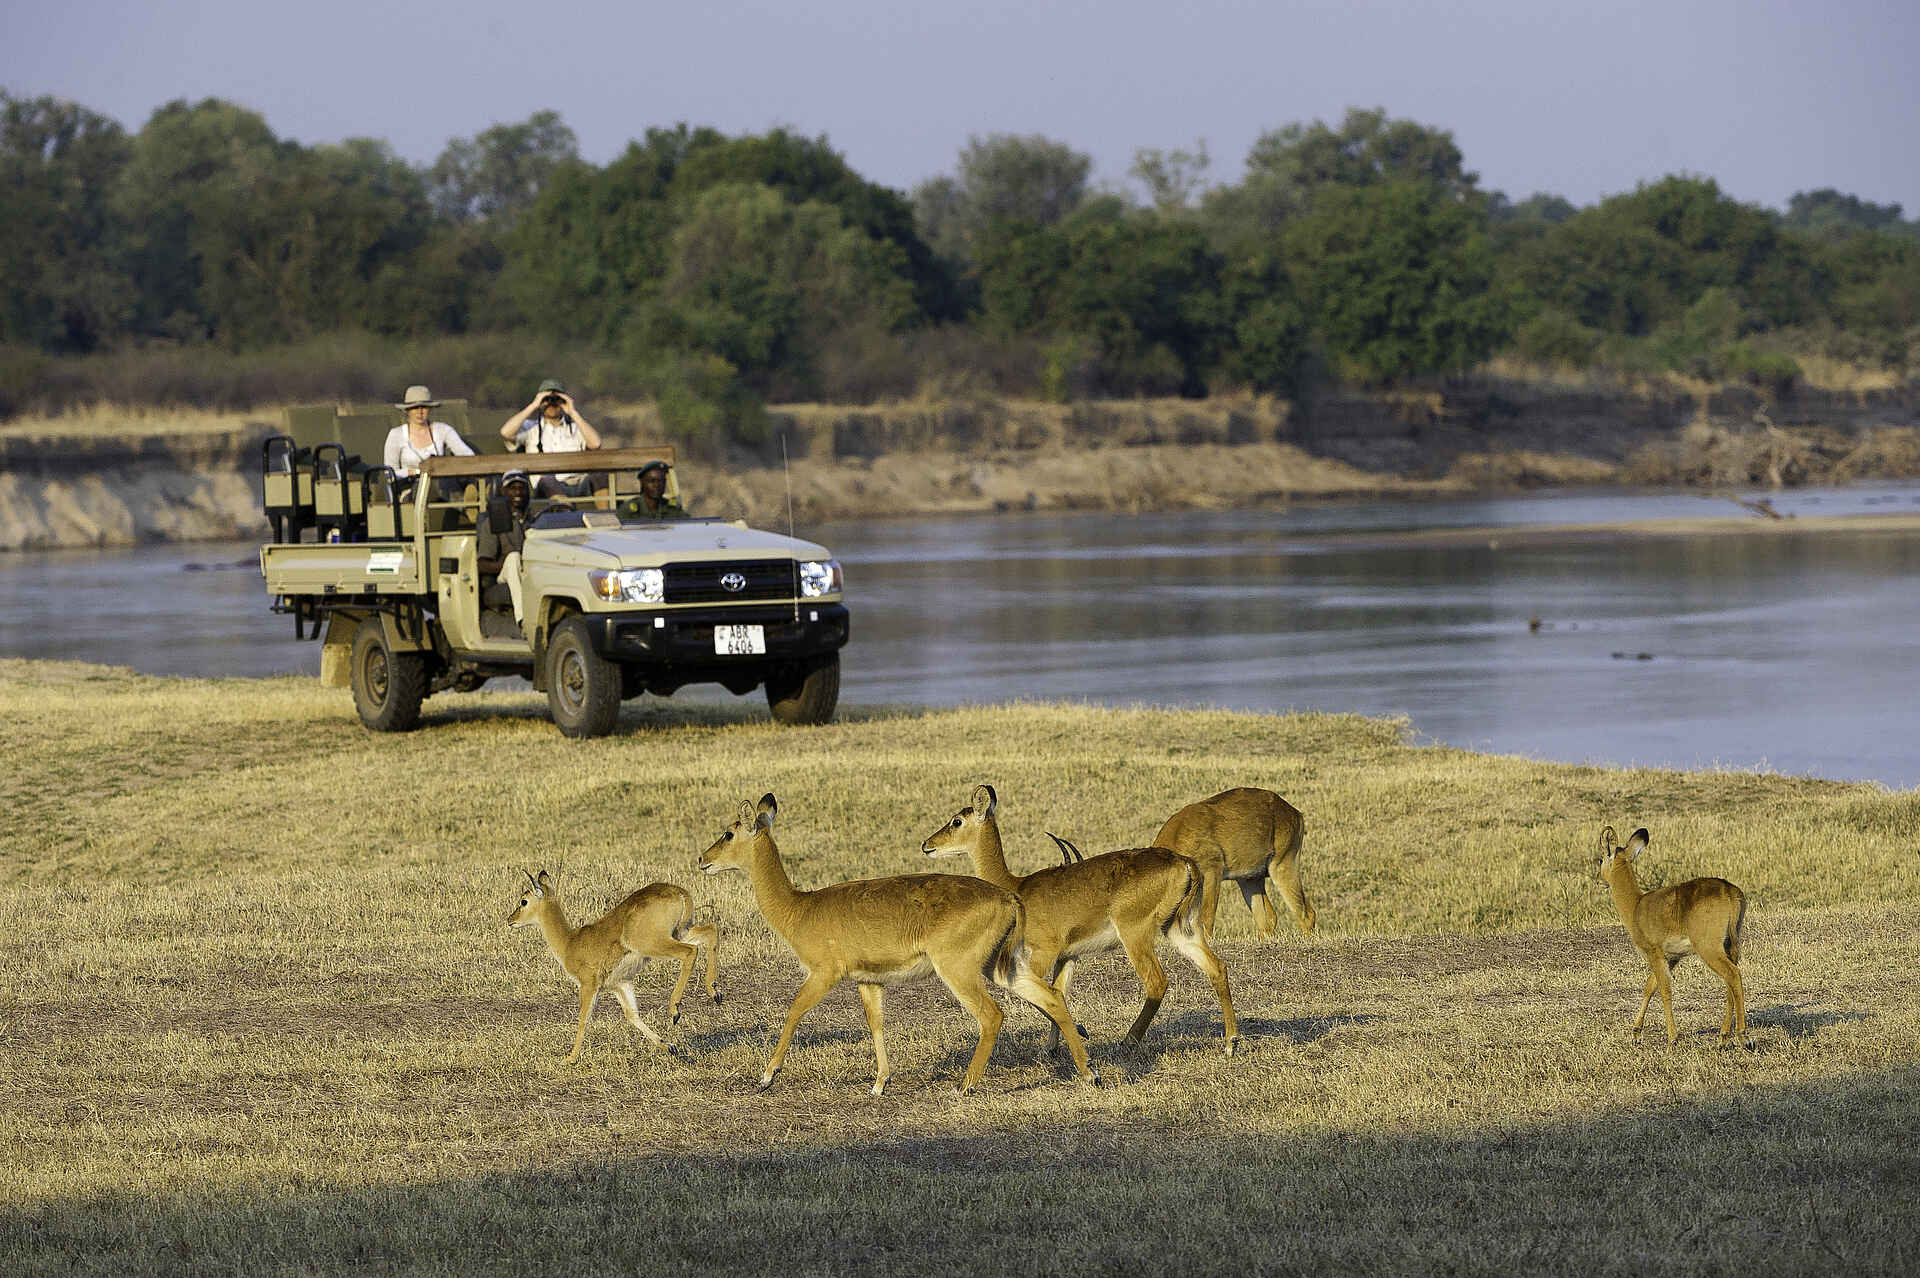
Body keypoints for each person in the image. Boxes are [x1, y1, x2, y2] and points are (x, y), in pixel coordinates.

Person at [499, 378, 601, 498]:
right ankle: (566, 513)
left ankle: (607, 515)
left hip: (578, 482)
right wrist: (534, 405)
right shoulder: (531, 428)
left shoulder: (576, 427)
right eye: (546, 399)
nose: (552, 403)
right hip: (547, 487)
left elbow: (596, 444)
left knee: (600, 475)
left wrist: (572, 412)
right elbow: (506, 432)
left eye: (557, 399)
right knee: (548, 480)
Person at [476, 469, 534, 634]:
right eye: (512, 488)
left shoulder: (536, 519)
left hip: (531, 572)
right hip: (503, 578)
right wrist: (503, 565)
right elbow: (482, 565)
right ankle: (524, 622)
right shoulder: (493, 522)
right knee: (514, 558)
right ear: (502, 491)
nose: (517, 492)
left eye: (521, 488)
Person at [383, 385, 475, 481]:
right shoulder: (396, 435)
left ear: (430, 409)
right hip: (410, 488)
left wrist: (447, 467)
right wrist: (415, 472)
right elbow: (389, 474)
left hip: (439, 487)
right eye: (415, 407)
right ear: (408, 410)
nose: (420, 411)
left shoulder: (443, 430)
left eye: (424, 407)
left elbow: (468, 457)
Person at [617, 459, 686, 520]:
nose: (657, 485)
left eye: (660, 481)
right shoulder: (629, 511)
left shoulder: (672, 509)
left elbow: (689, 526)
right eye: (652, 481)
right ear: (642, 483)